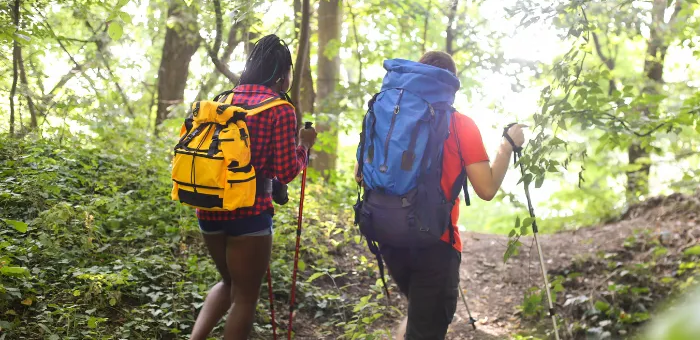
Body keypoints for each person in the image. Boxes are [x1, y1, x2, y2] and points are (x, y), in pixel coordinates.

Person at [357, 51, 527, 340]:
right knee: (426, 328)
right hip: (435, 242)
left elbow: (360, 174)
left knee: (419, 317)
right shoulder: (460, 124)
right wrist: (507, 146)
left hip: (386, 233)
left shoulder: (385, 113)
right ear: (450, 84)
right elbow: (486, 189)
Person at [189, 34, 317, 340]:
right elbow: (285, 171)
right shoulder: (279, 109)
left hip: (208, 206)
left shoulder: (224, 100)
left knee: (228, 282)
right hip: (250, 211)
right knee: (245, 296)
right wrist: (304, 146)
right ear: (281, 75)